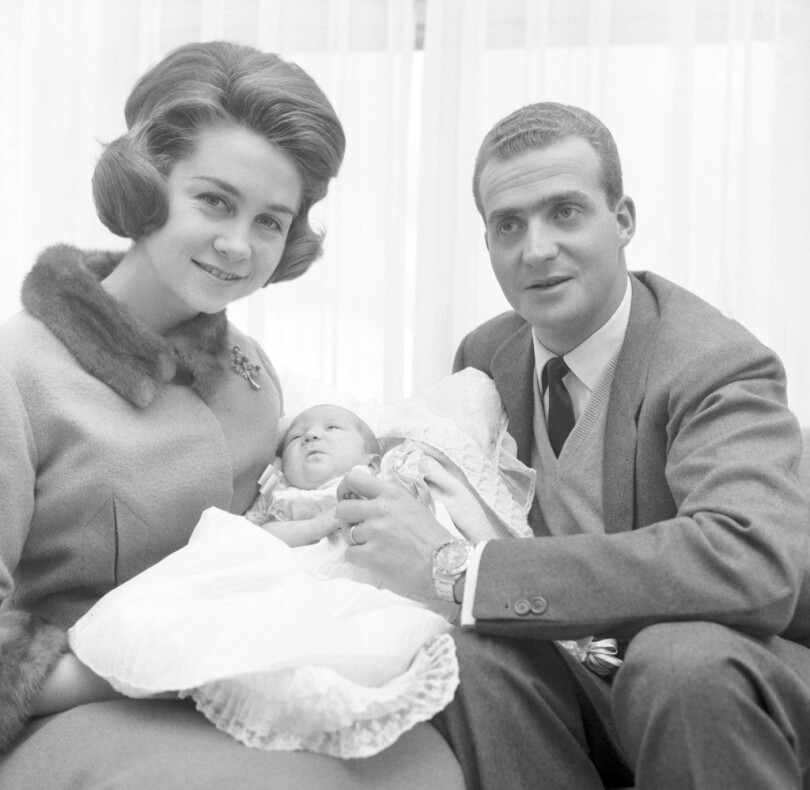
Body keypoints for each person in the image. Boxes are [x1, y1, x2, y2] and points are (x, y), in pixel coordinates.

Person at [0, 41, 464, 790]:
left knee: (425, 767)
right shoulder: (18, 374)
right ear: (145, 185)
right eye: (214, 200)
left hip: (244, 682)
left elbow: (259, 556)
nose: (237, 245)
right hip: (63, 707)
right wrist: (157, 665)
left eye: (270, 221)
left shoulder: (253, 380)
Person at [334, 102, 810, 789]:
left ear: (622, 220)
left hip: (732, 680)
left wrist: (465, 572)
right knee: (461, 654)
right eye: (508, 224)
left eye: (565, 212)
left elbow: (753, 560)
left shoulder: (715, 362)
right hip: (580, 674)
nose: (536, 249)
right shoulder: (486, 354)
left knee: (677, 659)